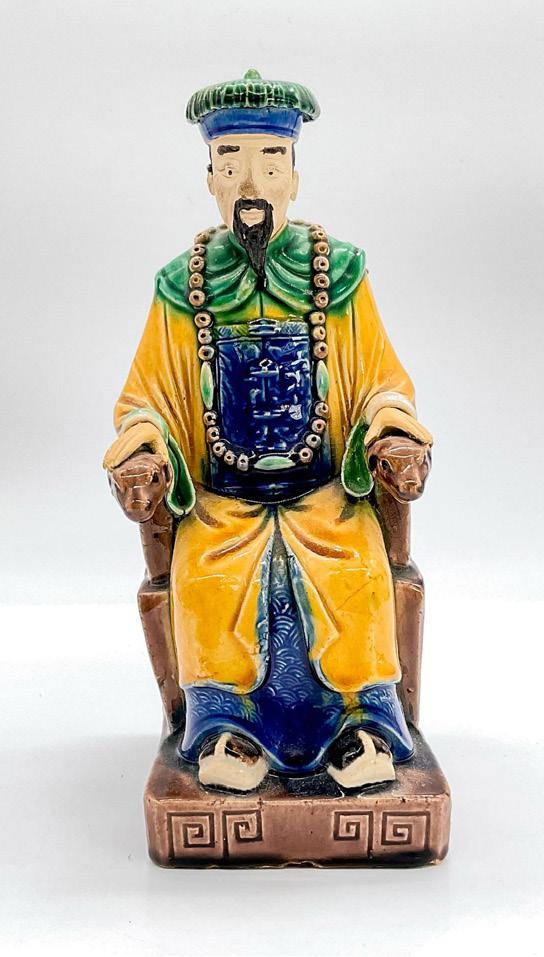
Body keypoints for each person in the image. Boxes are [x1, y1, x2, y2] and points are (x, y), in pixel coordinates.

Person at [103, 69, 432, 792]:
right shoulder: (182, 285)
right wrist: (145, 445)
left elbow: (382, 380)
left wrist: (392, 425)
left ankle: (360, 725)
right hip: (223, 500)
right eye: (231, 165)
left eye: (270, 164)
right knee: (208, 572)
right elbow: (146, 397)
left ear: (294, 178)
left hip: (324, 494)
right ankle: (227, 728)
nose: (251, 183)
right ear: (210, 179)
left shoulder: (338, 274)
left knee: (354, 566)